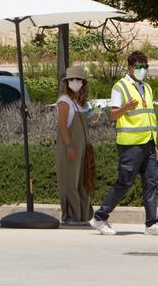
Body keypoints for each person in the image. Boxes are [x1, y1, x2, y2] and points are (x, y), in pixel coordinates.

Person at [90, 51, 158, 236]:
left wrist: (155, 144)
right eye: (139, 67)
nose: (142, 70)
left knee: (151, 182)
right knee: (125, 182)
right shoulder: (120, 86)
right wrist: (125, 108)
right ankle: (100, 217)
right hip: (130, 145)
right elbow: (112, 115)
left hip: (148, 143)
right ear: (130, 67)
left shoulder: (147, 88)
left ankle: (152, 224)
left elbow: (149, 117)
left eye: (145, 67)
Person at [55, 65, 94, 226]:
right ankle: (71, 215)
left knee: (83, 181)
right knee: (69, 181)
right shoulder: (64, 101)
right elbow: (63, 126)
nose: (75, 82)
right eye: (72, 79)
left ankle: (83, 215)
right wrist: (70, 146)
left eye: (78, 79)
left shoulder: (81, 103)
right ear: (67, 82)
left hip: (83, 149)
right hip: (70, 148)